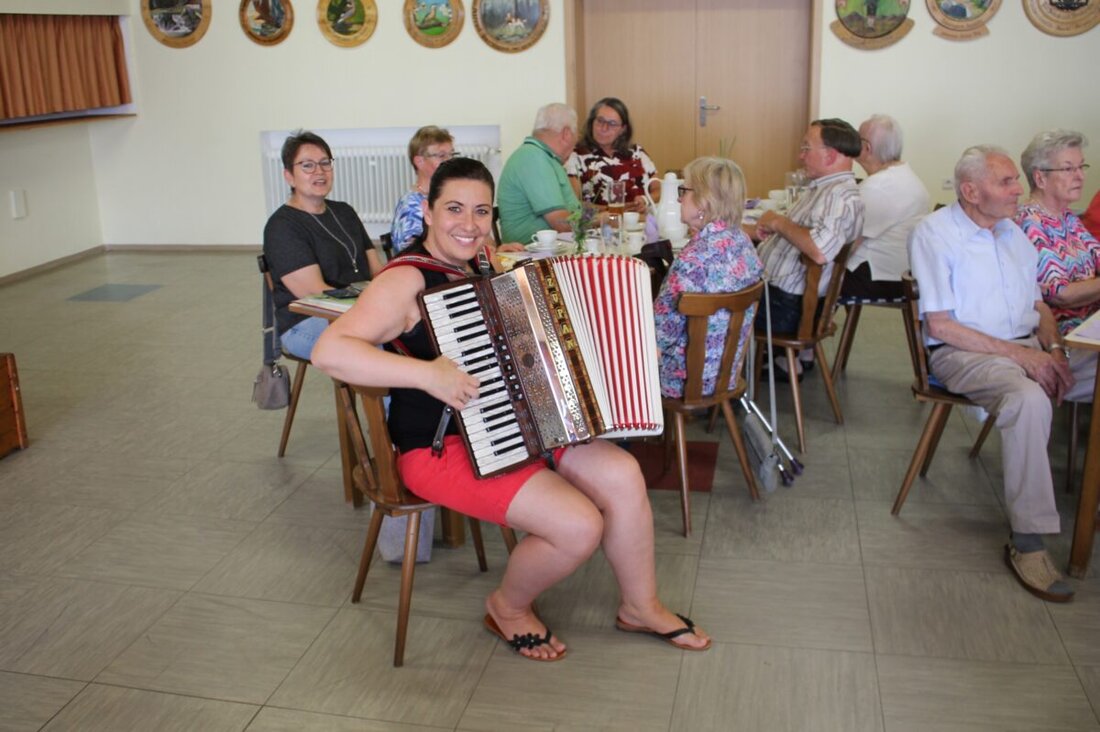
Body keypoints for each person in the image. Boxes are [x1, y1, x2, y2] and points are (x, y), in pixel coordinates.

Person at [312, 157, 710, 661]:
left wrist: (626, 349)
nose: (469, 224)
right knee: (578, 525)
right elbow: (330, 351)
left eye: (481, 211)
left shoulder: (482, 263)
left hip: (519, 424)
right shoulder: (406, 280)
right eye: (454, 209)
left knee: (623, 473)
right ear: (428, 212)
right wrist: (426, 373)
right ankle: (509, 607)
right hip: (442, 445)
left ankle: (641, 604)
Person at [910, 145, 1095, 603]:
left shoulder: (1013, 232)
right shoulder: (935, 234)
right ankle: (1028, 541)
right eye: (1007, 182)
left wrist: (1050, 349)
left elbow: (1038, 306)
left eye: (1016, 180)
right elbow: (942, 326)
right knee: (1028, 399)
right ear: (971, 191)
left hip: (1027, 346)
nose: (1018, 190)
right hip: (963, 352)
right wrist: (1025, 358)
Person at [753, 118, 864, 379]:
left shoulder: (838, 196)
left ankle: (714, 382)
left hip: (786, 308)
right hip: (786, 300)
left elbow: (819, 251)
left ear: (830, 155)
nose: (800, 156)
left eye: (806, 149)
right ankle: (764, 364)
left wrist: (779, 222)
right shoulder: (827, 189)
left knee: (703, 299)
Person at [263, 130, 382, 360]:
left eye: (325, 163)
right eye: (307, 165)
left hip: (358, 310)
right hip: (306, 322)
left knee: (413, 333)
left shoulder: (344, 211)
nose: (319, 171)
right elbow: (315, 294)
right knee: (378, 346)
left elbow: (377, 270)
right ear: (289, 175)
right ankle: (391, 396)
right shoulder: (282, 226)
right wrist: (373, 312)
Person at [654, 157, 763, 398]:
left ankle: (620, 431)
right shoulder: (743, 241)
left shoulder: (693, 260)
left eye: (685, 190)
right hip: (726, 372)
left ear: (704, 201)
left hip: (683, 379)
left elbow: (658, 337)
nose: (680, 198)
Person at [1015, 130, 1100, 341]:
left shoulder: (1067, 216)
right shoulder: (1029, 222)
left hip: (1093, 323)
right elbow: (1061, 294)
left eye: (1081, 166)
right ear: (1040, 178)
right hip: (1067, 335)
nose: (1080, 176)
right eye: (1068, 169)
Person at [842, 114, 930, 299]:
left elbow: (846, 241)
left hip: (879, 276)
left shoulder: (879, 187)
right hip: (904, 271)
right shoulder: (904, 174)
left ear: (867, 148)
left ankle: (807, 325)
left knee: (808, 274)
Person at [497, 103, 582, 245]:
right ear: (566, 133)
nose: (576, 140)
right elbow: (561, 224)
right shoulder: (534, 158)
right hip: (531, 257)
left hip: (551, 251)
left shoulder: (543, 157)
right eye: (576, 134)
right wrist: (601, 221)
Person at [566, 97, 660, 212]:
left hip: (640, 222)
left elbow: (658, 189)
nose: (604, 128)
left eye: (612, 124)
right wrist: (611, 209)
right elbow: (573, 203)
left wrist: (645, 200)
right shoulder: (576, 155)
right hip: (599, 225)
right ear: (592, 122)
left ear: (623, 129)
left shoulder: (637, 152)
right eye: (600, 121)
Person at [390, 126, 456, 252]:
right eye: (442, 156)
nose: (450, 161)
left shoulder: (442, 196)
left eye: (451, 154)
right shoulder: (411, 207)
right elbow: (413, 256)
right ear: (419, 161)